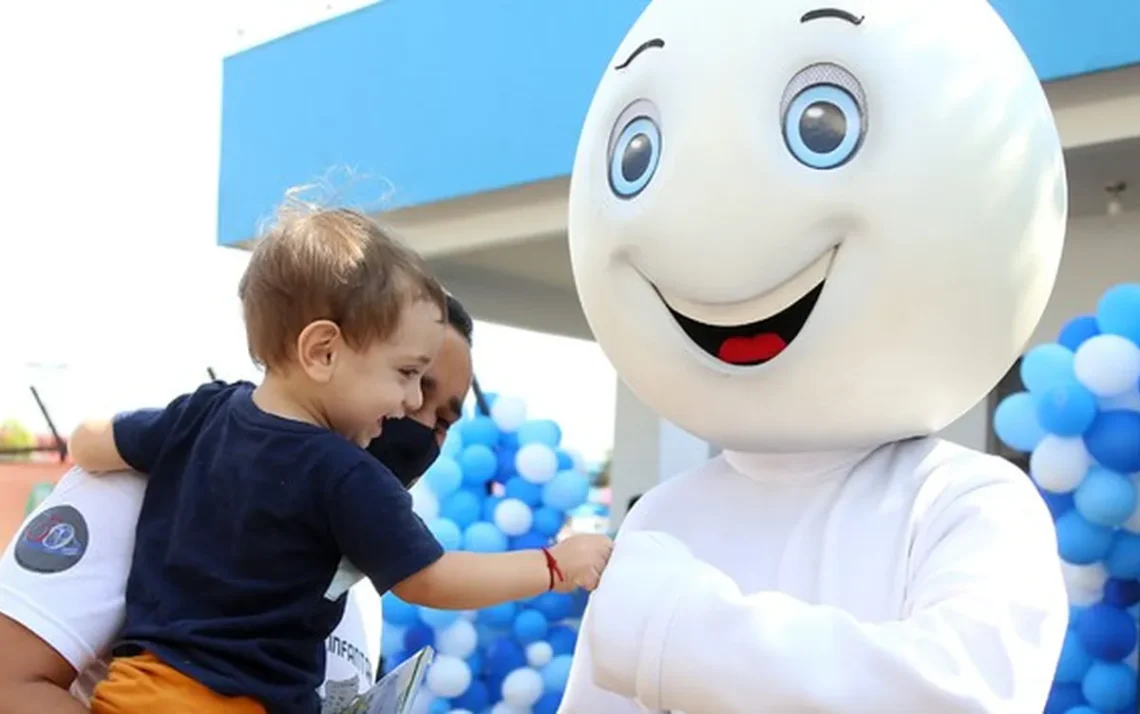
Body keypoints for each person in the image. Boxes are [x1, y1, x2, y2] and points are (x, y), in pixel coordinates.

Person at [559, 0, 1067, 712]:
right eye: (637, 155)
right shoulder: (661, 519)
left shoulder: (965, 502)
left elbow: (963, 694)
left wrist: (675, 629)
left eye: (822, 125)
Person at [65, 206, 612, 714]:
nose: (412, 402)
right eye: (405, 374)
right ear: (323, 351)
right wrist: (554, 565)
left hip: (131, 692)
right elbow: (432, 580)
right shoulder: (344, 473)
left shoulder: (201, 412)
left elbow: (91, 440)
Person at [0, 292, 479, 714]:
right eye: (408, 382)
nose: (410, 416)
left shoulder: (360, 580)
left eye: (440, 422)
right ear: (325, 353)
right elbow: (11, 684)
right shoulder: (140, 488)